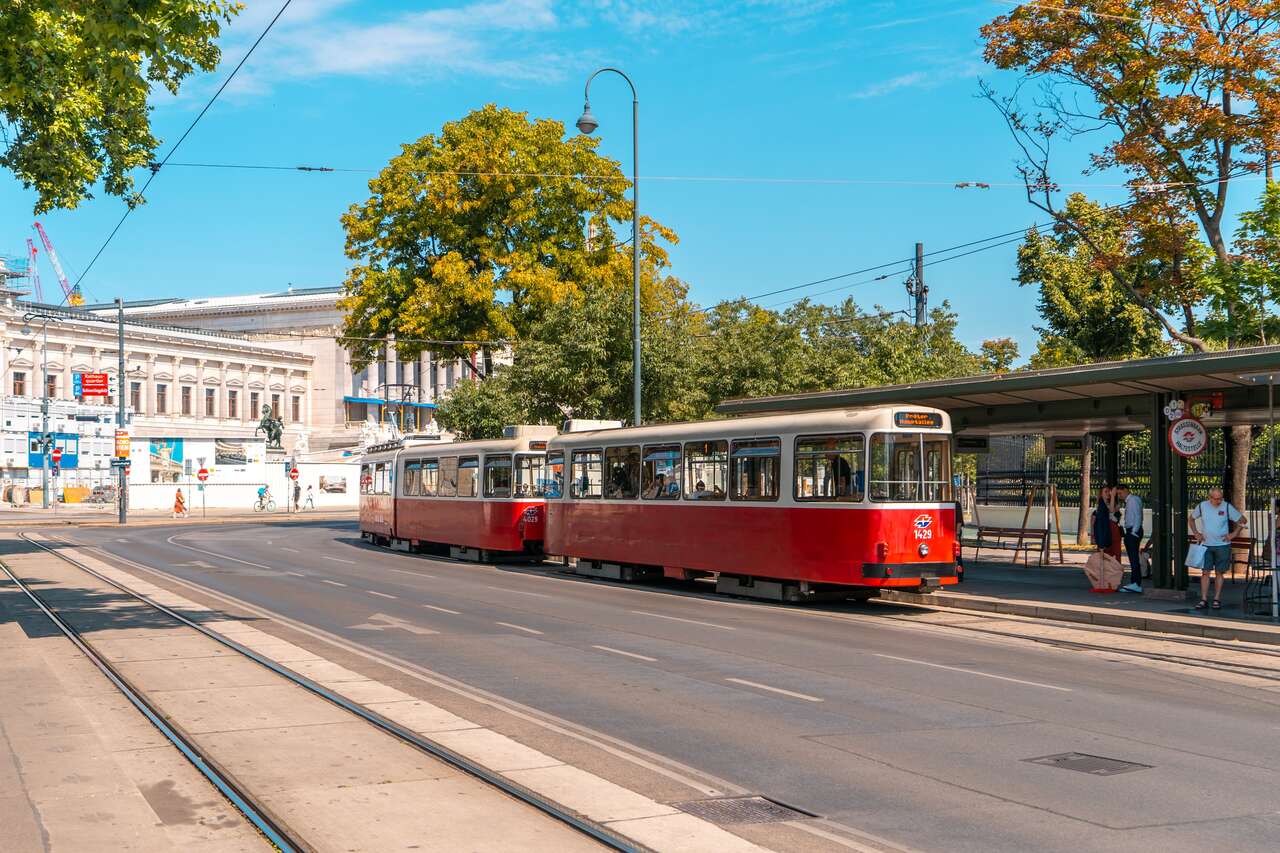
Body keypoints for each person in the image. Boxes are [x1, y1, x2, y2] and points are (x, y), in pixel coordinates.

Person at [1189, 486, 1247, 611]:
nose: (1219, 501)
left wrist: (1233, 534)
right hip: (1206, 544)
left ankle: (1216, 598)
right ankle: (1203, 599)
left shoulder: (1226, 506)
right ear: (1210, 498)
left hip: (1222, 545)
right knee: (1205, 572)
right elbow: (1191, 518)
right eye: (1216, 499)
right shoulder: (1202, 506)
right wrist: (1196, 533)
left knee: (1220, 572)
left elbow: (1243, 520)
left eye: (1220, 498)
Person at [1116, 484, 1144, 593]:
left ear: (1126, 490)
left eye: (1120, 493)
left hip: (1133, 531)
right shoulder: (1131, 500)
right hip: (1132, 530)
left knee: (1133, 559)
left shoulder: (1132, 500)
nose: (1119, 496)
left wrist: (1133, 532)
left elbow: (1137, 516)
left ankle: (1136, 583)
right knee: (1133, 559)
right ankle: (1135, 582)